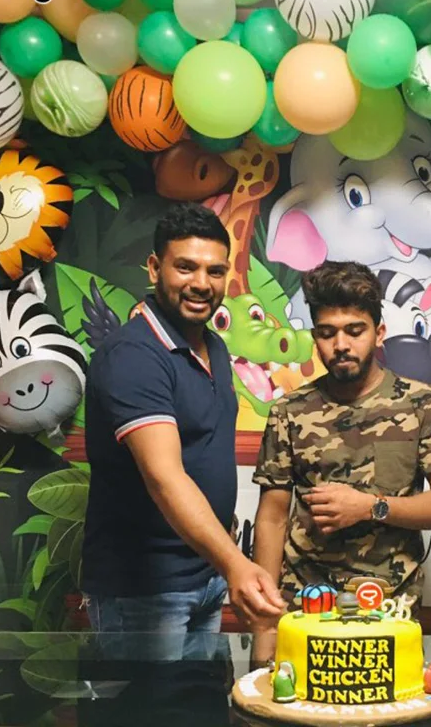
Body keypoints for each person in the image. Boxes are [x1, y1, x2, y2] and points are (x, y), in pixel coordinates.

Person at [82, 202, 284, 654]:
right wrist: (236, 564)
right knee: (151, 699)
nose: (201, 283)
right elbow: (165, 477)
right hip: (145, 590)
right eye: (186, 267)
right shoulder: (134, 354)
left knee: (197, 697)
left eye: (215, 271)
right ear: (156, 268)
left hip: (205, 576)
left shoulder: (214, 346)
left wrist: (222, 567)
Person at [252, 260, 431, 611]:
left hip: (391, 602)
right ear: (315, 338)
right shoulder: (288, 411)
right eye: (327, 333)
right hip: (305, 600)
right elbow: (272, 518)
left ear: (379, 333)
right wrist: (265, 608)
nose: (341, 344)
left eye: (355, 331)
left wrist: (370, 507)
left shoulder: (423, 403)